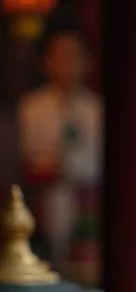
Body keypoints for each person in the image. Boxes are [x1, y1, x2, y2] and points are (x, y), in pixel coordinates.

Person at [17, 23, 103, 270]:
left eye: (74, 55)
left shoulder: (96, 110)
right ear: (46, 61)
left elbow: (96, 162)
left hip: (87, 202)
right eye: (60, 55)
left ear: (88, 62)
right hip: (46, 197)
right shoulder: (32, 108)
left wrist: (71, 166)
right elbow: (30, 158)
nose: (67, 62)